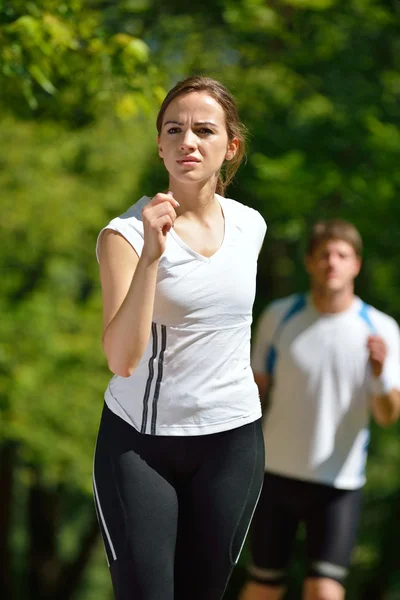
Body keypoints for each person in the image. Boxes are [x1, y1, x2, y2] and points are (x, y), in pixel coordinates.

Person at [92, 76, 267, 600]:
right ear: (161, 144)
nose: (188, 140)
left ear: (229, 145)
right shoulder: (123, 236)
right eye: (175, 130)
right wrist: (152, 254)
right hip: (141, 447)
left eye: (204, 130)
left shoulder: (251, 226)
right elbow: (122, 359)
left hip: (233, 441)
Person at [240, 219, 400, 600]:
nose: (333, 262)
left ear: (356, 265)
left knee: (324, 591)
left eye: (342, 255)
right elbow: (253, 393)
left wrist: (379, 375)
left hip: (338, 484)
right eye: (324, 254)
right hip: (273, 474)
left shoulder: (381, 329)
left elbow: (388, 415)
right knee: (263, 587)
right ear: (310, 262)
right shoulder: (279, 317)